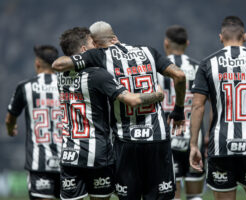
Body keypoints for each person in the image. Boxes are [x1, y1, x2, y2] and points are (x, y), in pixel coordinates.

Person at [52, 21, 186, 200]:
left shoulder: (99, 55)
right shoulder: (149, 51)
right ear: (114, 37)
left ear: (96, 44)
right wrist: (178, 109)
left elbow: (59, 65)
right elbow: (180, 75)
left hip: (126, 140)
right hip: (157, 137)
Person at [189, 16, 246, 200]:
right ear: (244, 36)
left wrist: (193, 144)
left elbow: (198, 106)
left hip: (221, 146)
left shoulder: (207, 64)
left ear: (220, 37)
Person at [6, 45, 61, 200]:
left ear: (37, 63)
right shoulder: (67, 86)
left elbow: (10, 118)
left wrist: (11, 129)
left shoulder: (26, 87)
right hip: (67, 160)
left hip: (39, 162)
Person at [158, 25, 205, 200]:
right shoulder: (199, 67)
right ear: (187, 43)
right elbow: (204, 104)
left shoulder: (158, 68)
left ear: (166, 43)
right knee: (195, 194)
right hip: (194, 136)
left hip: (167, 136)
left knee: (172, 193)